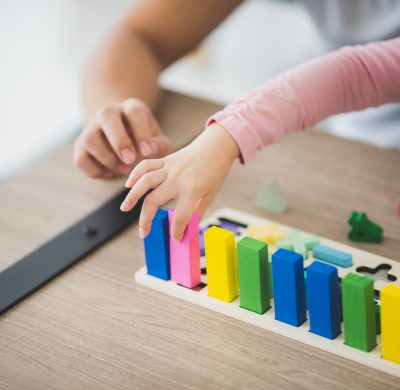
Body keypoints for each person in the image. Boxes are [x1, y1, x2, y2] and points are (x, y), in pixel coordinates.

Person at [73, 0, 400, 238]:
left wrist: (225, 136)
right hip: (353, 147)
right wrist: (118, 121)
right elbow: (139, 36)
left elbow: (355, 74)